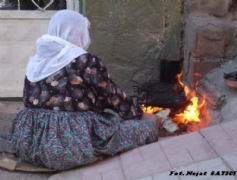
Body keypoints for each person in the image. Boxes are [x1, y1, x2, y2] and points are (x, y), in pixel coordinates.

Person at [7, 10, 161, 170]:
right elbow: (112, 96)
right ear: (76, 32)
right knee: (147, 129)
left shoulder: (36, 60)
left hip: (29, 143)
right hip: (69, 146)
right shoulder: (84, 60)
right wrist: (141, 115)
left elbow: (28, 102)